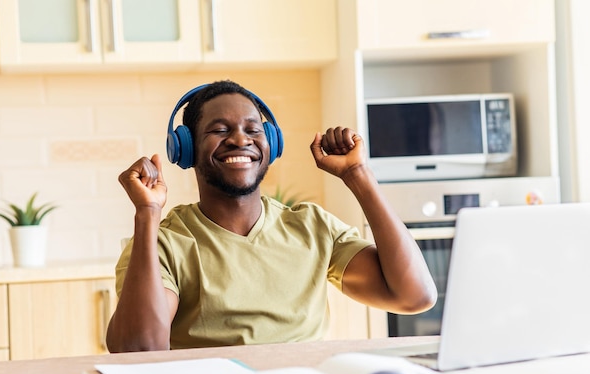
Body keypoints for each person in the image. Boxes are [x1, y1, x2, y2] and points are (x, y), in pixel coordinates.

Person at [106, 80, 437, 353]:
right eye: (220, 130)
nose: (239, 139)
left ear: (272, 144)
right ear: (186, 148)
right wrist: (147, 213)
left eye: (252, 129)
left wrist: (358, 175)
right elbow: (139, 353)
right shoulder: (163, 244)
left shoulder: (313, 227)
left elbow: (415, 296)